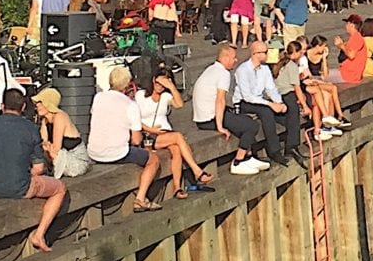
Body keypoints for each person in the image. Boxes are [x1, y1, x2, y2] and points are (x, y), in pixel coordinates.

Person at [0, 88, 67, 252]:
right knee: (60, 188)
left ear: (2, 106)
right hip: (20, 188)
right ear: (24, 107)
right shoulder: (31, 129)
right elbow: (39, 168)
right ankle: (39, 234)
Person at [87, 66, 164, 208]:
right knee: (153, 160)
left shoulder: (98, 97)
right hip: (115, 153)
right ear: (127, 84)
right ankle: (140, 199)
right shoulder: (130, 105)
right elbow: (136, 140)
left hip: (93, 152)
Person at [135, 69, 215, 197]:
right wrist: (151, 130)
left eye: (163, 84)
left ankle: (177, 188)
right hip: (149, 134)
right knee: (178, 137)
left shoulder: (166, 96)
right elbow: (135, 119)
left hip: (165, 133)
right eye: (158, 82)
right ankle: (197, 171)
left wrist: (171, 86)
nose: (160, 86)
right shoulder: (141, 95)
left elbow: (179, 104)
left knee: (176, 149)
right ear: (153, 80)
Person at [232, 42, 289, 166]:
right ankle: (275, 151)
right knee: (266, 111)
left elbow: (271, 88)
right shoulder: (243, 70)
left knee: (286, 110)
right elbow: (247, 97)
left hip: (258, 100)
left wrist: (279, 102)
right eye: (265, 52)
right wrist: (270, 104)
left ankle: (291, 145)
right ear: (255, 54)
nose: (267, 54)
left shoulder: (264, 69)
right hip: (243, 102)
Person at [32, 85, 90, 178]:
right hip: (58, 158)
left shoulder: (60, 117)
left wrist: (48, 148)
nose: (37, 105)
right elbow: (42, 144)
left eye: (40, 102)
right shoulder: (44, 120)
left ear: (49, 103)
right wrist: (47, 147)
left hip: (75, 159)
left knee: (53, 154)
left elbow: (56, 148)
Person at [304, 37, 347, 134]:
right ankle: (328, 124)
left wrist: (324, 59)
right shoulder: (306, 55)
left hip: (319, 80)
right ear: (318, 46)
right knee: (327, 95)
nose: (325, 48)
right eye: (323, 46)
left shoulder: (321, 55)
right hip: (311, 81)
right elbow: (308, 76)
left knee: (333, 88)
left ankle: (339, 116)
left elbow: (325, 75)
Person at [334, 15, 369, 85]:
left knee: (322, 77)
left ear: (352, 25)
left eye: (347, 23)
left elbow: (351, 55)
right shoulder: (354, 37)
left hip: (349, 75)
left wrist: (341, 45)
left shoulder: (357, 37)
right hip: (349, 73)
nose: (345, 26)